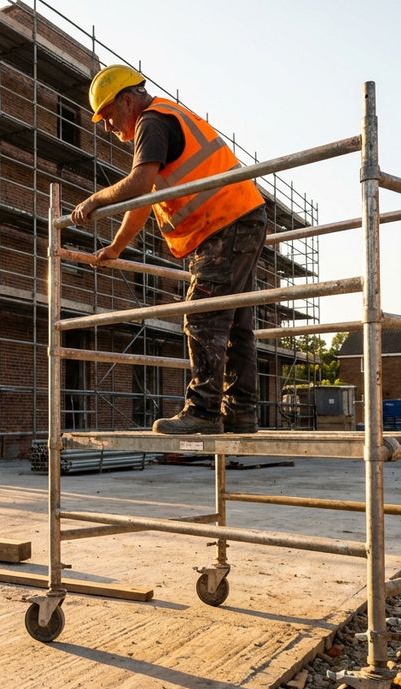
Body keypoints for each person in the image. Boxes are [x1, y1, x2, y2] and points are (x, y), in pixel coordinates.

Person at [70, 64, 268, 435]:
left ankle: (204, 412)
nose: (109, 129)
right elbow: (143, 200)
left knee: (202, 317)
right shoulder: (160, 122)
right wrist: (116, 247)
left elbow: (139, 183)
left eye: (109, 117)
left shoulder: (152, 122)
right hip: (239, 218)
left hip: (224, 223)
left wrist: (95, 199)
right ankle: (241, 413)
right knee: (235, 324)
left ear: (127, 101)